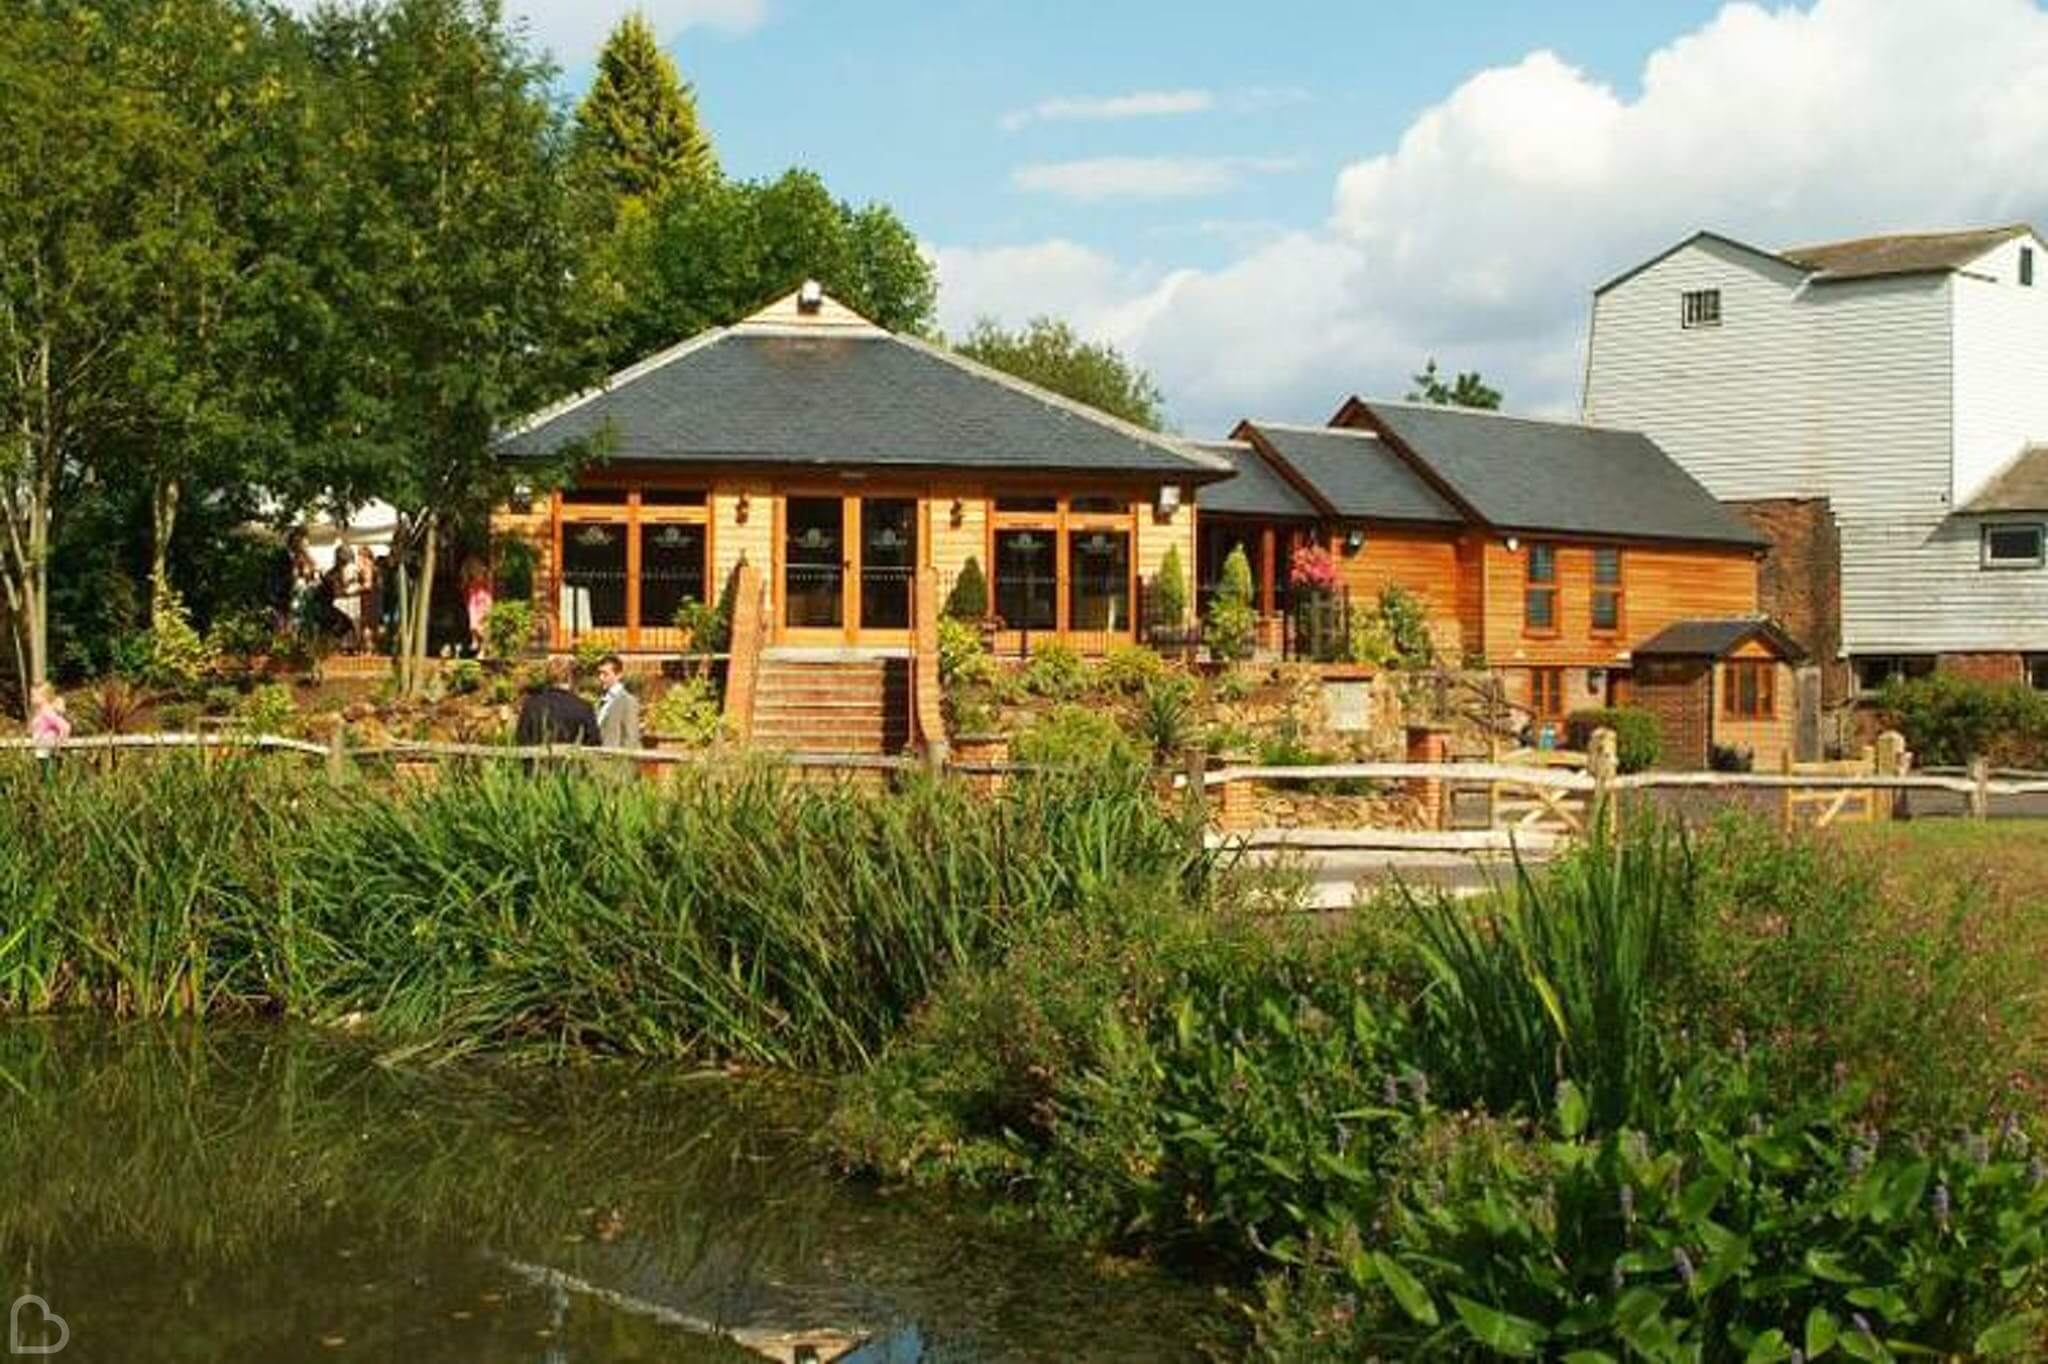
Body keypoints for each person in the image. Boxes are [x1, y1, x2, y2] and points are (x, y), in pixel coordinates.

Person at [515, 656, 600, 751]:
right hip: (573, 763)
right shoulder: (584, 707)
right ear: (570, 677)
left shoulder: (531, 705)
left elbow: (521, 739)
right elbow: (594, 744)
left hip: (537, 763)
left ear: (547, 677)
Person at [595, 654, 642, 752]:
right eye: (599, 673)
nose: (601, 678)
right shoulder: (601, 700)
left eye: (605, 674)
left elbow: (631, 738)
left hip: (615, 761)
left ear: (619, 675)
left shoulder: (628, 701)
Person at [28, 683, 70, 770]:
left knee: (47, 770)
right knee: (42, 768)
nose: (31, 699)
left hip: (46, 745)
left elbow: (64, 725)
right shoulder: (40, 712)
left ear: (44, 697)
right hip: (40, 745)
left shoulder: (47, 712)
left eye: (34, 696)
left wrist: (61, 738)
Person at [461, 556, 494, 657]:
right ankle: (476, 641)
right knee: (473, 626)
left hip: (484, 604)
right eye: (472, 569)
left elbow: (489, 590)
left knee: (483, 627)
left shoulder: (485, 578)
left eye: (475, 569)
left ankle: (483, 649)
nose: (474, 572)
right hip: (474, 605)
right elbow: (466, 594)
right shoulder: (470, 582)